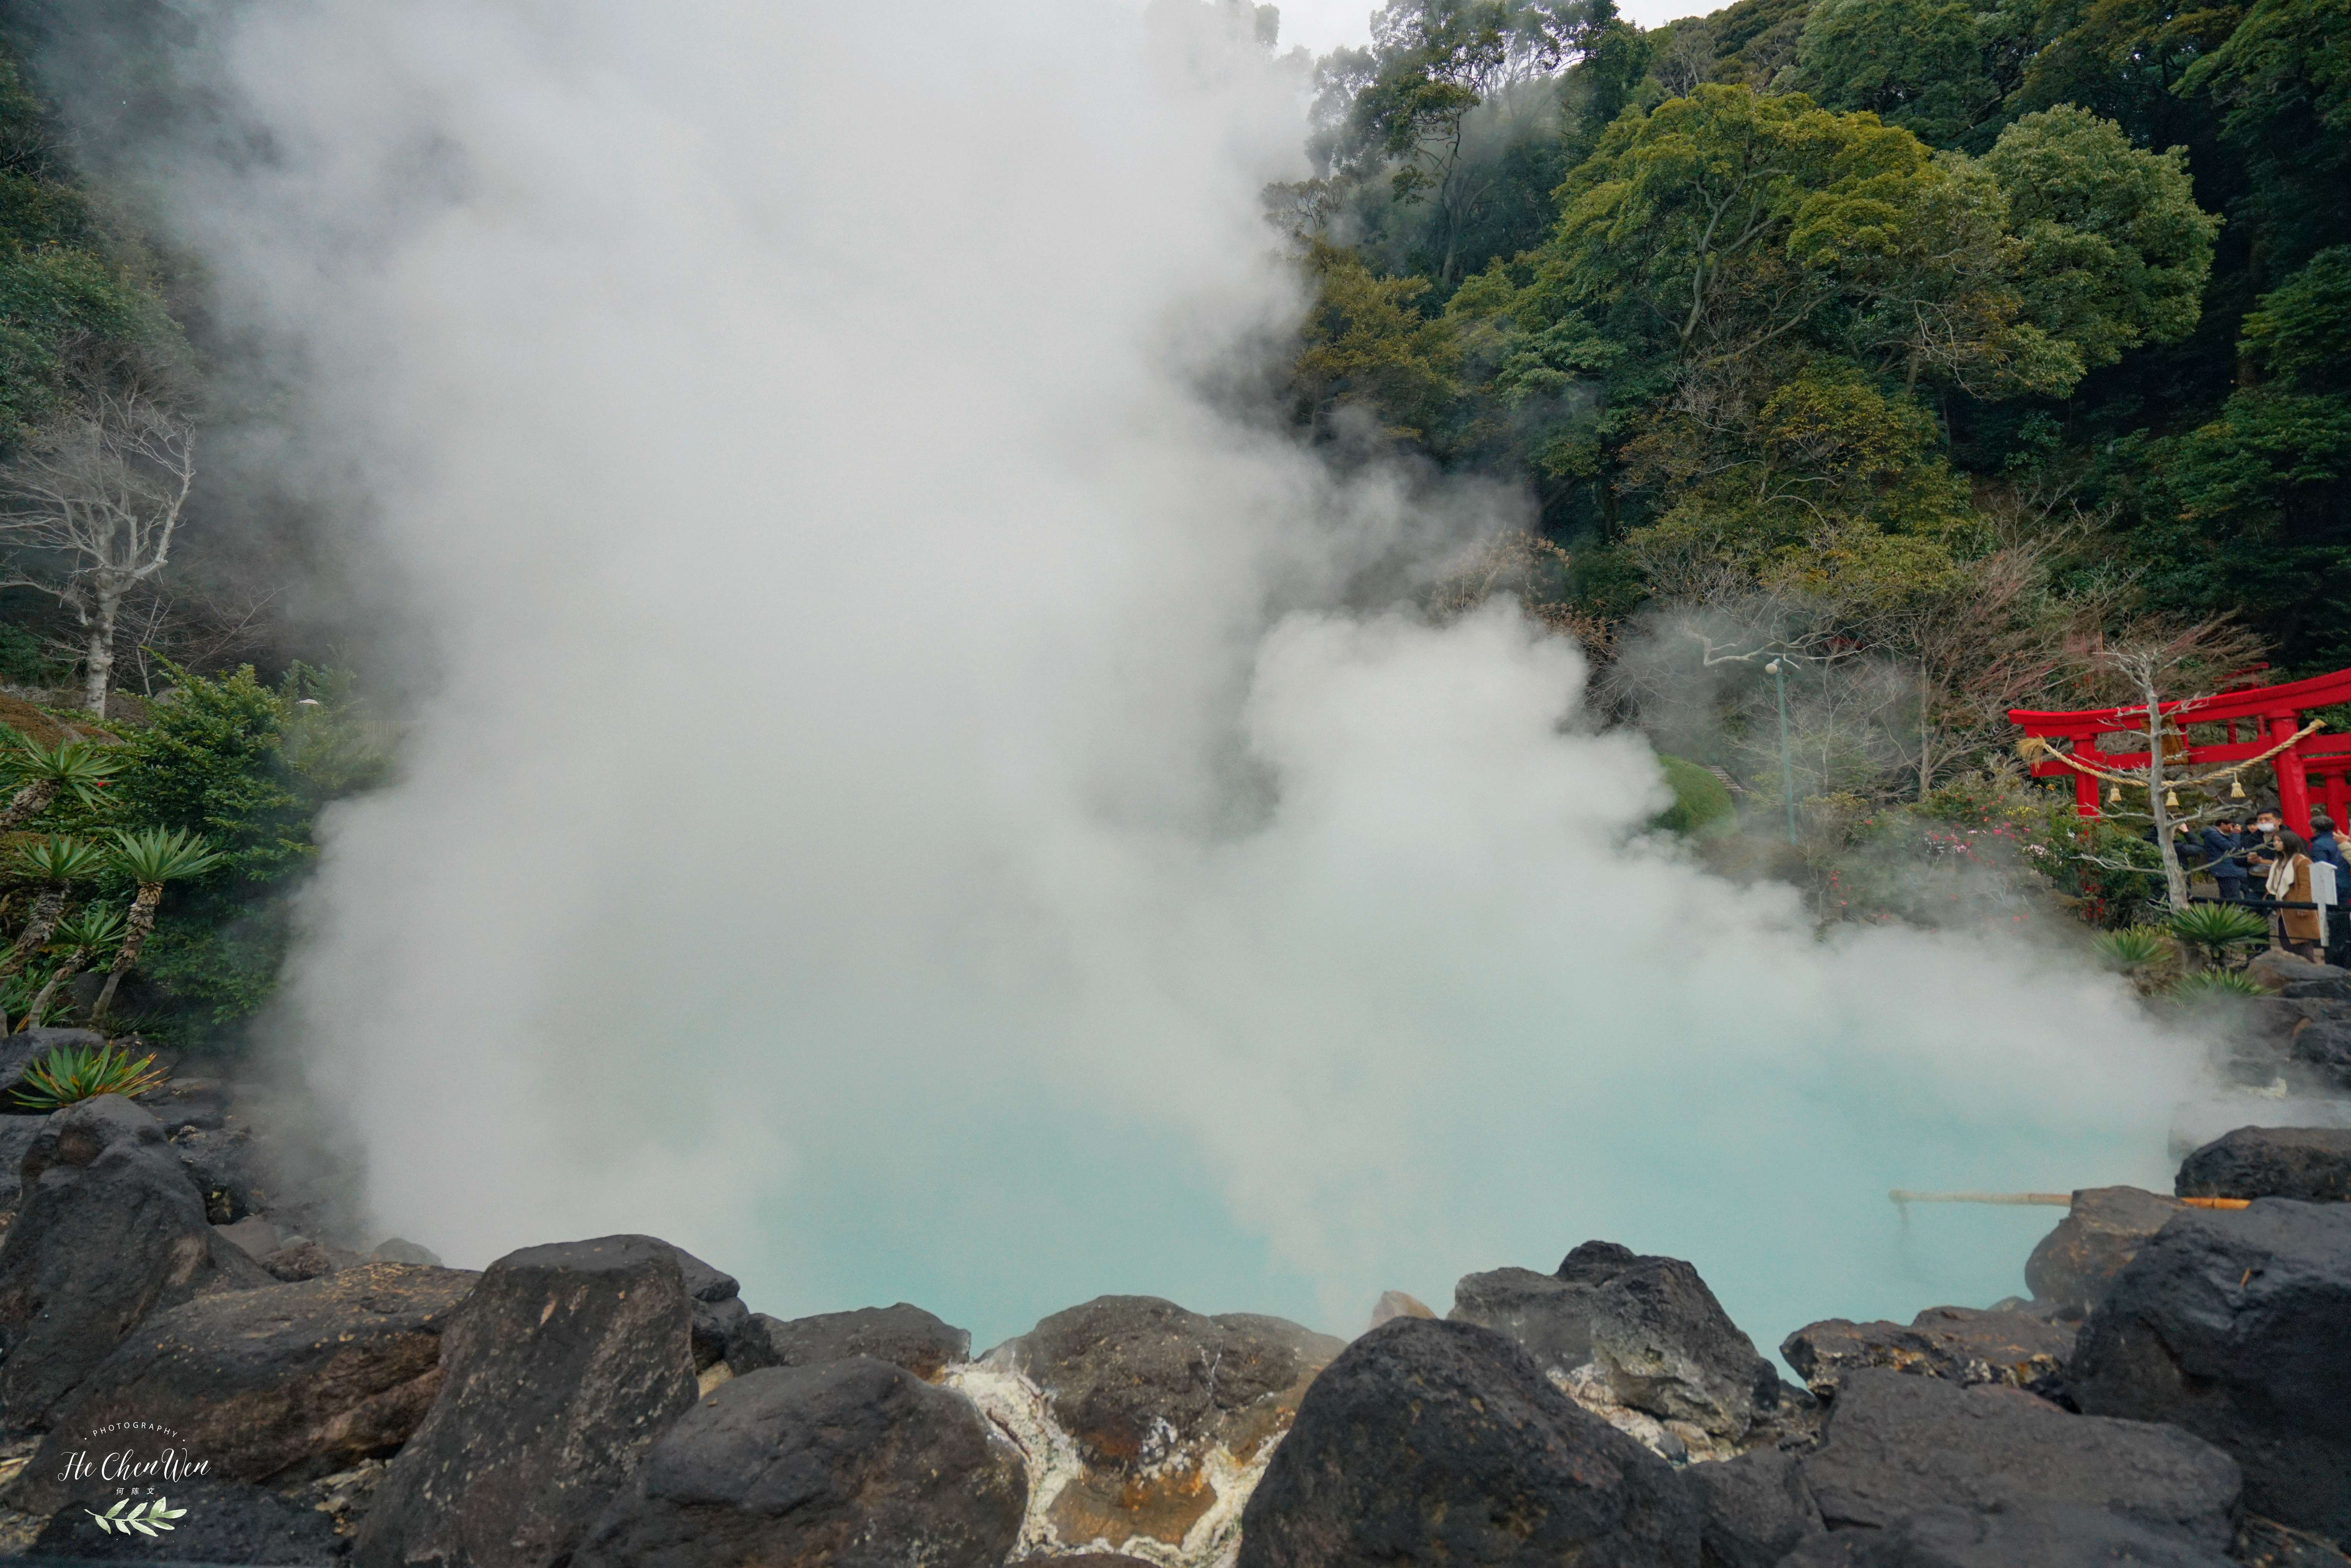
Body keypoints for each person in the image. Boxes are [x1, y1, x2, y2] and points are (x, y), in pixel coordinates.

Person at [2265, 828, 2325, 959]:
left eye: (2279, 841)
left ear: (2289, 842)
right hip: (2283, 910)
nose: (2275, 844)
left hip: (2297, 909)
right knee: (2286, 943)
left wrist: (2303, 905)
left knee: (2301, 944)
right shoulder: (2279, 862)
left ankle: (2309, 974)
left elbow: (2307, 885)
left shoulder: (2302, 861)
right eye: (2275, 841)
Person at [2201, 818, 2249, 903]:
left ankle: (2225, 915)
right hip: (2225, 870)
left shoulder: (2220, 835)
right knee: (2233, 897)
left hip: (2227, 869)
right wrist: (2235, 834)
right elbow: (2232, 848)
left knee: (2226, 898)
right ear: (2223, 824)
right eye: (2231, 826)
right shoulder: (2213, 835)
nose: (2232, 828)